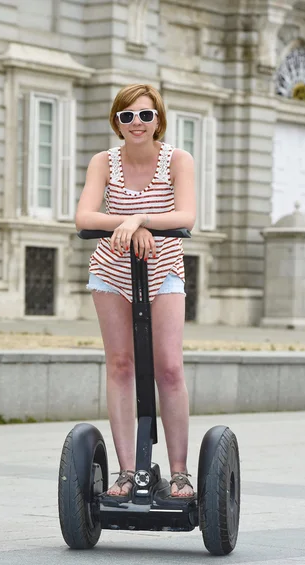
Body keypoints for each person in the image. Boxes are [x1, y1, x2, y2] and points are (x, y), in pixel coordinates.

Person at [75, 83, 196, 498]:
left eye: (145, 115)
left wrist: (139, 218)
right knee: (121, 366)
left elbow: (187, 215)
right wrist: (126, 227)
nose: (137, 124)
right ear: (117, 122)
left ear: (158, 119)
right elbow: (84, 216)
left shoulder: (178, 160)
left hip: (163, 269)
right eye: (127, 117)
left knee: (169, 367)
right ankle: (128, 472)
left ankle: (179, 472)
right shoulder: (103, 162)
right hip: (111, 269)